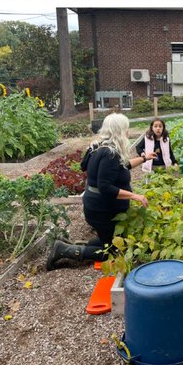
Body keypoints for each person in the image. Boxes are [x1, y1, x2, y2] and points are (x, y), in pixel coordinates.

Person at [46, 112, 149, 268]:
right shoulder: (110, 154)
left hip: (97, 208)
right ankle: (64, 250)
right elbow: (105, 187)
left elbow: (122, 166)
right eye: (126, 129)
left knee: (111, 239)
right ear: (120, 131)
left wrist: (144, 158)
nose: (128, 132)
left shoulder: (100, 147)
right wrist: (135, 196)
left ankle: (82, 245)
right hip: (102, 212)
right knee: (113, 252)